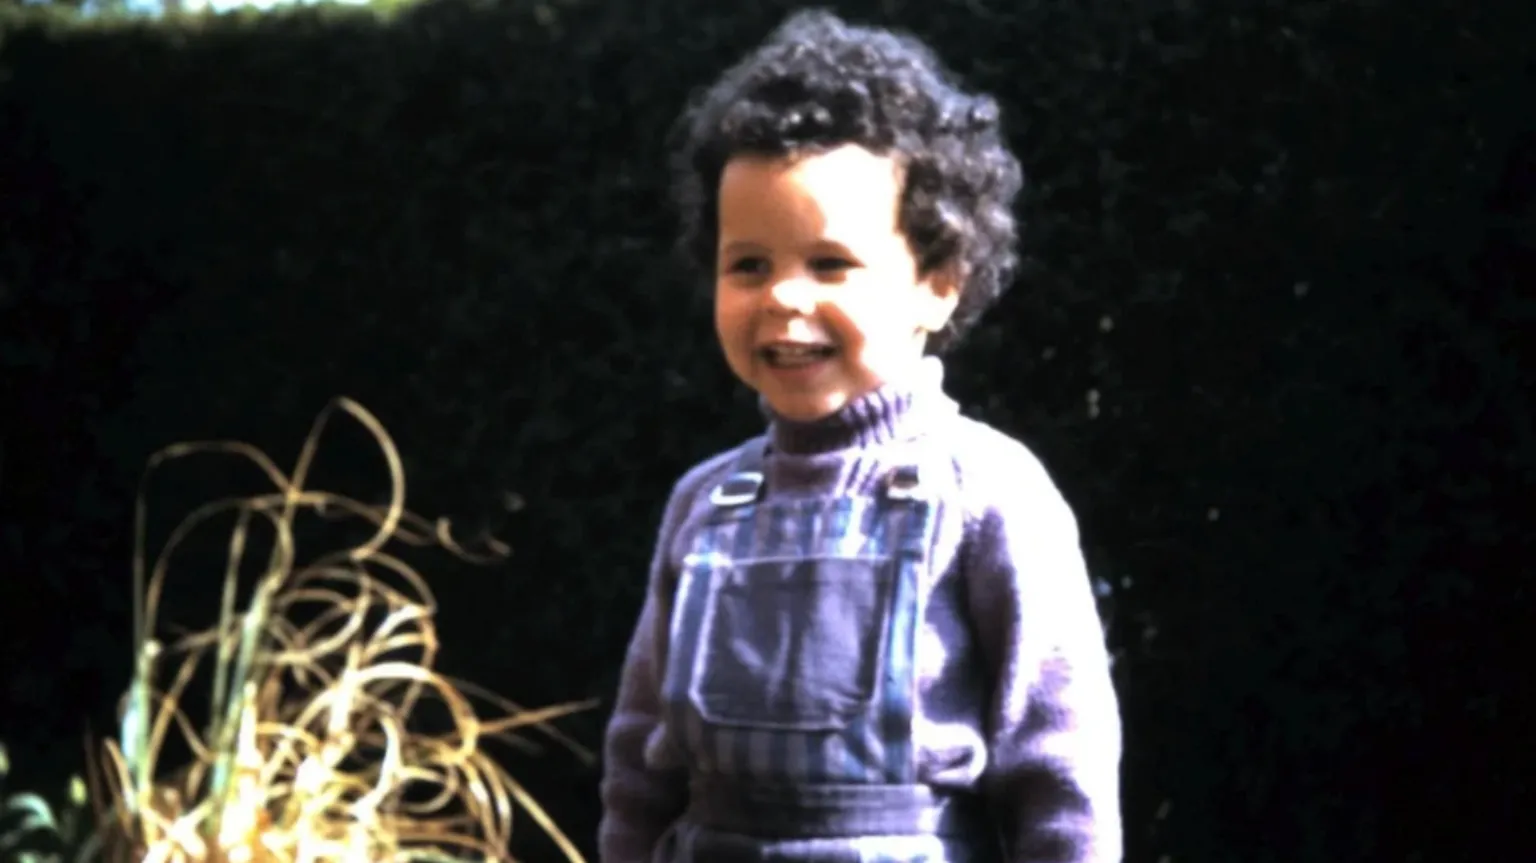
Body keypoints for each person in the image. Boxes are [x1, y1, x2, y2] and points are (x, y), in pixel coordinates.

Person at [599, 9, 1122, 862]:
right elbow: (638, 761)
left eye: (830, 264)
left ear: (938, 284)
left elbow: (1060, 769)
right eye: (749, 265)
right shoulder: (707, 501)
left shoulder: (988, 490)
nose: (784, 297)